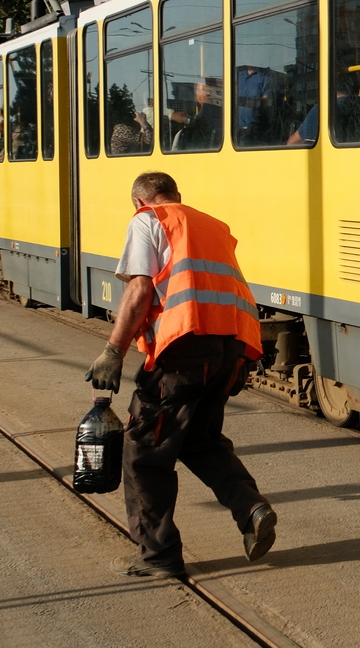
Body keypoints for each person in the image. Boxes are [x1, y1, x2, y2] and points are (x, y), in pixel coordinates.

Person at [85, 171, 276, 576]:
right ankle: (250, 508)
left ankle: (158, 555)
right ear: (177, 196)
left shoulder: (148, 220)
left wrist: (113, 351)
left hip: (185, 350)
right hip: (230, 350)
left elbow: (139, 291)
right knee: (199, 440)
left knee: (144, 453)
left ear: (140, 202)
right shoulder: (211, 225)